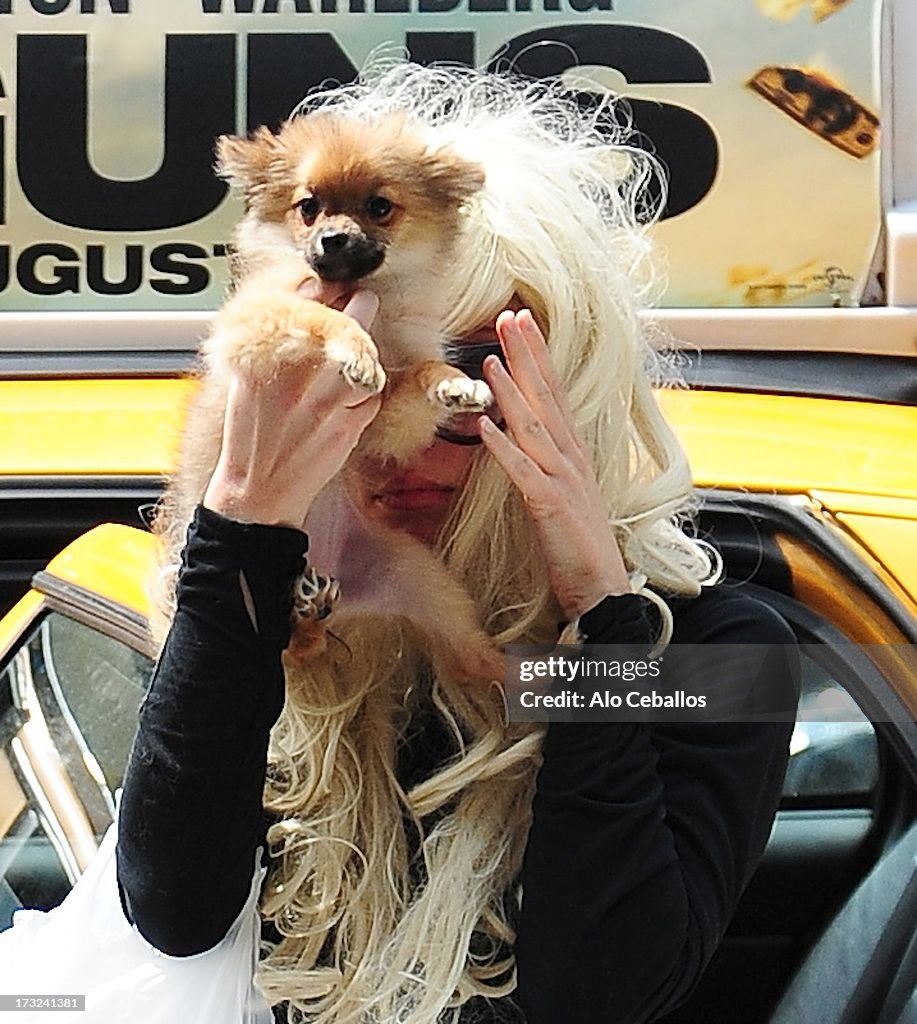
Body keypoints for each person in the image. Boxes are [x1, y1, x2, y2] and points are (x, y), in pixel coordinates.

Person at [114, 63, 799, 1024]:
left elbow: (599, 994)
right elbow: (174, 910)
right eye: (353, 364)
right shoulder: (267, 592)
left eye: (472, 366)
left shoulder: (726, 650)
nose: (393, 416)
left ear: (575, 383)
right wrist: (239, 519)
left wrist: (600, 619)